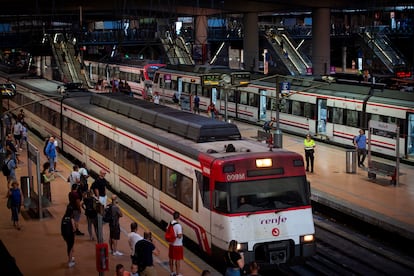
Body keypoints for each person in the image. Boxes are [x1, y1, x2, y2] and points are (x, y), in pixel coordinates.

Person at [168, 211, 183, 276]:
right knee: (177, 260)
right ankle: (177, 274)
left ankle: (172, 272)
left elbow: (168, 231)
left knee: (171, 258)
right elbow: (179, 236)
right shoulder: (178, 226)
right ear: (179, 217)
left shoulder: (170, 223)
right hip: (178, 245)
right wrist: (181, 233)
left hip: (171, 244)